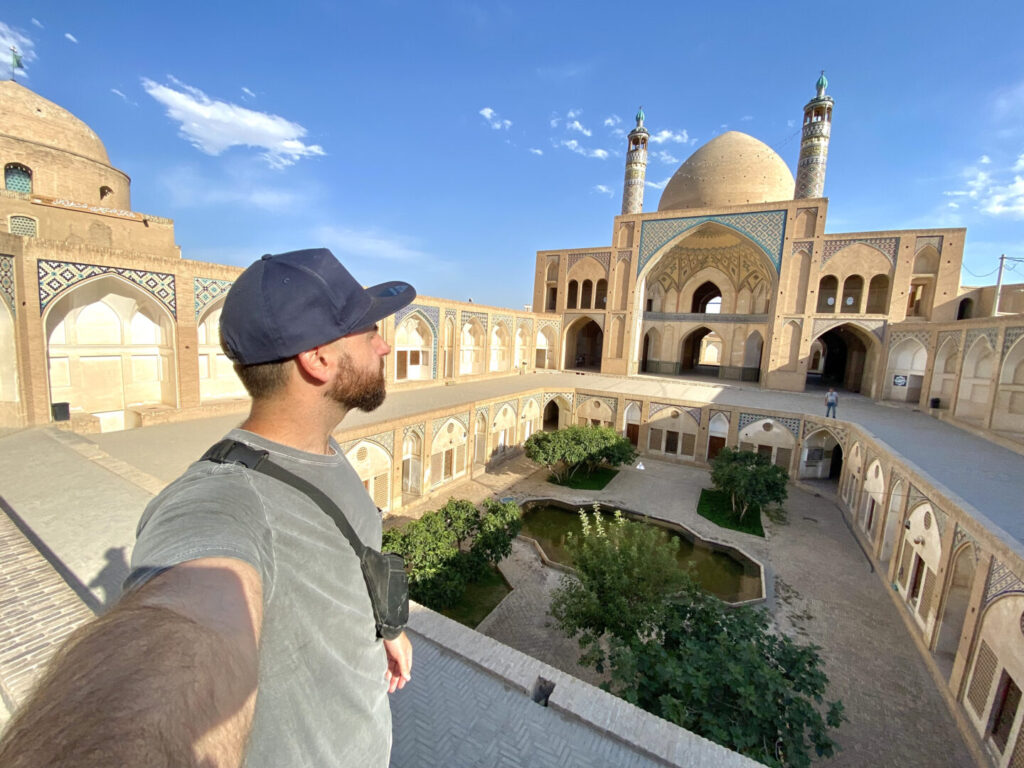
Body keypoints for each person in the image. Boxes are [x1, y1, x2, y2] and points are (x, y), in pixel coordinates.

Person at [0, 248, 417, 767]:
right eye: (366, 331)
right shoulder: (224, 499)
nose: (382, 344)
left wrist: (384, 629)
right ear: (318, 358)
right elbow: (178, 633)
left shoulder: (322, 449)